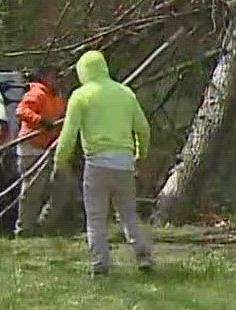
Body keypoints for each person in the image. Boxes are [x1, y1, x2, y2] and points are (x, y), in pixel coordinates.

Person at [54, 49, 154, 274]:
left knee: (96, 217)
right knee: (128, 213)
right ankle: (142, 255)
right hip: (124, 162)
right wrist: (141, 154)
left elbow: (68, 135)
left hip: (97, 163)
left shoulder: (80, 96)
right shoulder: (126, 93)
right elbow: (143, 129)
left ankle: (101, 263)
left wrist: (59, 161)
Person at [13, 67, 74, 236]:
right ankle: (24, 230)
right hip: (32, 148)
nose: (59, 80)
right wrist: (40, 121)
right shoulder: (36, 93)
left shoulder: (58, 98)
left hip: (51, 148)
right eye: (56, 76)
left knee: (64, 185)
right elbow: (21, 111)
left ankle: (44, 225)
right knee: (32, 192)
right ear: (45, 77)